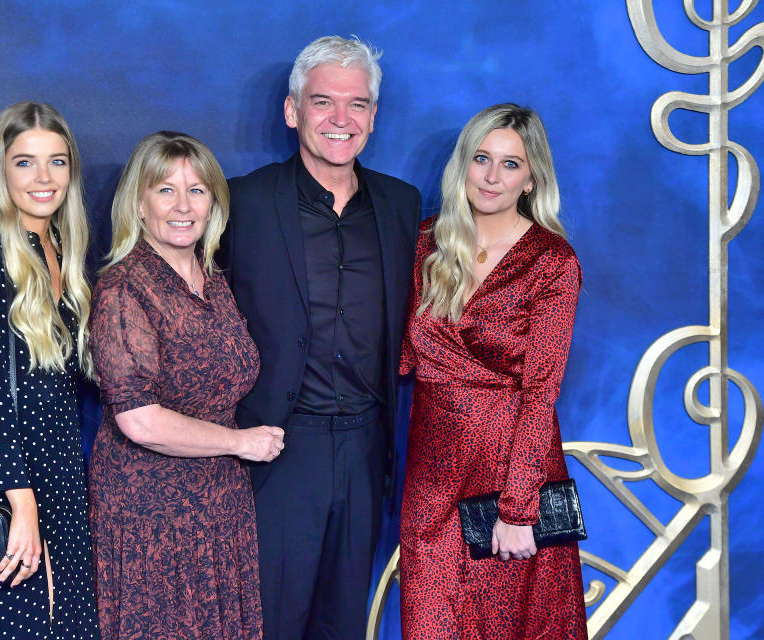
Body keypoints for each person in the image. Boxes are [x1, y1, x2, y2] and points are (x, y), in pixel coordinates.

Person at [217, 36, 422, 640]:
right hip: (278, 449)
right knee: (269, 622)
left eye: (356, 105)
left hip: (366, 448)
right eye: (323, 102)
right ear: (292, 111)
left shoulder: (402, 206)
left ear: (373, 117)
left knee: (343, 624)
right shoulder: (242, 202)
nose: (340, 120)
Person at [398, 103, 587, 639]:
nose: (491, 176)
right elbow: (398, 354)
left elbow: (542, 390)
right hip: (432, 474)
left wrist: (519, 506)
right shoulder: (427, 243)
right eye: (482, 158)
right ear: (465, 163)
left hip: (509, 471)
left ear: (531, 179)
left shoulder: (553, 261)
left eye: (510, 164)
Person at [87, 131, 283, 639]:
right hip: (152, 513)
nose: (182, 206)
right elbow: (139, 420)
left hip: (219, 507)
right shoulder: (123, 287)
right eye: (165, 190)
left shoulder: (212, 278)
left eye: (196, 190)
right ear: (138, 201)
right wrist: (241, 442)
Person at [0, 101, 100, 639]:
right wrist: (22, 507)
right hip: (10, 483)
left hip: (63, 474)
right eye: (25, 162)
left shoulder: (62, 248)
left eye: (57, 162)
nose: (43, 178)